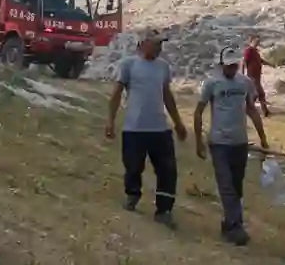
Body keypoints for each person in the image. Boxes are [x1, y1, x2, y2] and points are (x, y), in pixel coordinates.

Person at [105, 28, 188, 228]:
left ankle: (164, 210)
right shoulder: (129, 65)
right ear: (144, 43)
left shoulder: (163, 67)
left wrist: (177, 123)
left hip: (160, 128)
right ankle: (132, 195)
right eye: (157, 43)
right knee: (133, 167)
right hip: (135, 128)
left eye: (161, 44)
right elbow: (116, 94)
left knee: (168, 170)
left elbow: (167, 95)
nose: (160, 47)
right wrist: (110, 120)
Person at [194, 46, 269, 246]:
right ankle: (237, 227)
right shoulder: (211, 83)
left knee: (236, 187)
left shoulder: (245, 83)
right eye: (228, 66)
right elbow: (198, 112)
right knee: (226, 186)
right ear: (221, 65)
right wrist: (198, 142)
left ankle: (229, 223)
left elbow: (252, 110)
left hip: (240, 143)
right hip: (219, 142)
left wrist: (263, 138)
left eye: (234, 65)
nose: (231, 69)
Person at [242, 33, 271, 117]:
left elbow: (260, 60)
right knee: (260, 94)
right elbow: (243, 62)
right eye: (256, 41)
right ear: (251, 41)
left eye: (259, 41)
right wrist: (242, 74)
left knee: (254, 95)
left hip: (257, 76)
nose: (258, 42)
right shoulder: (249, 50)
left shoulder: (255, 51)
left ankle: (247, 110)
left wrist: (269, 64)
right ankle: (264, 112)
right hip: (252, 76)